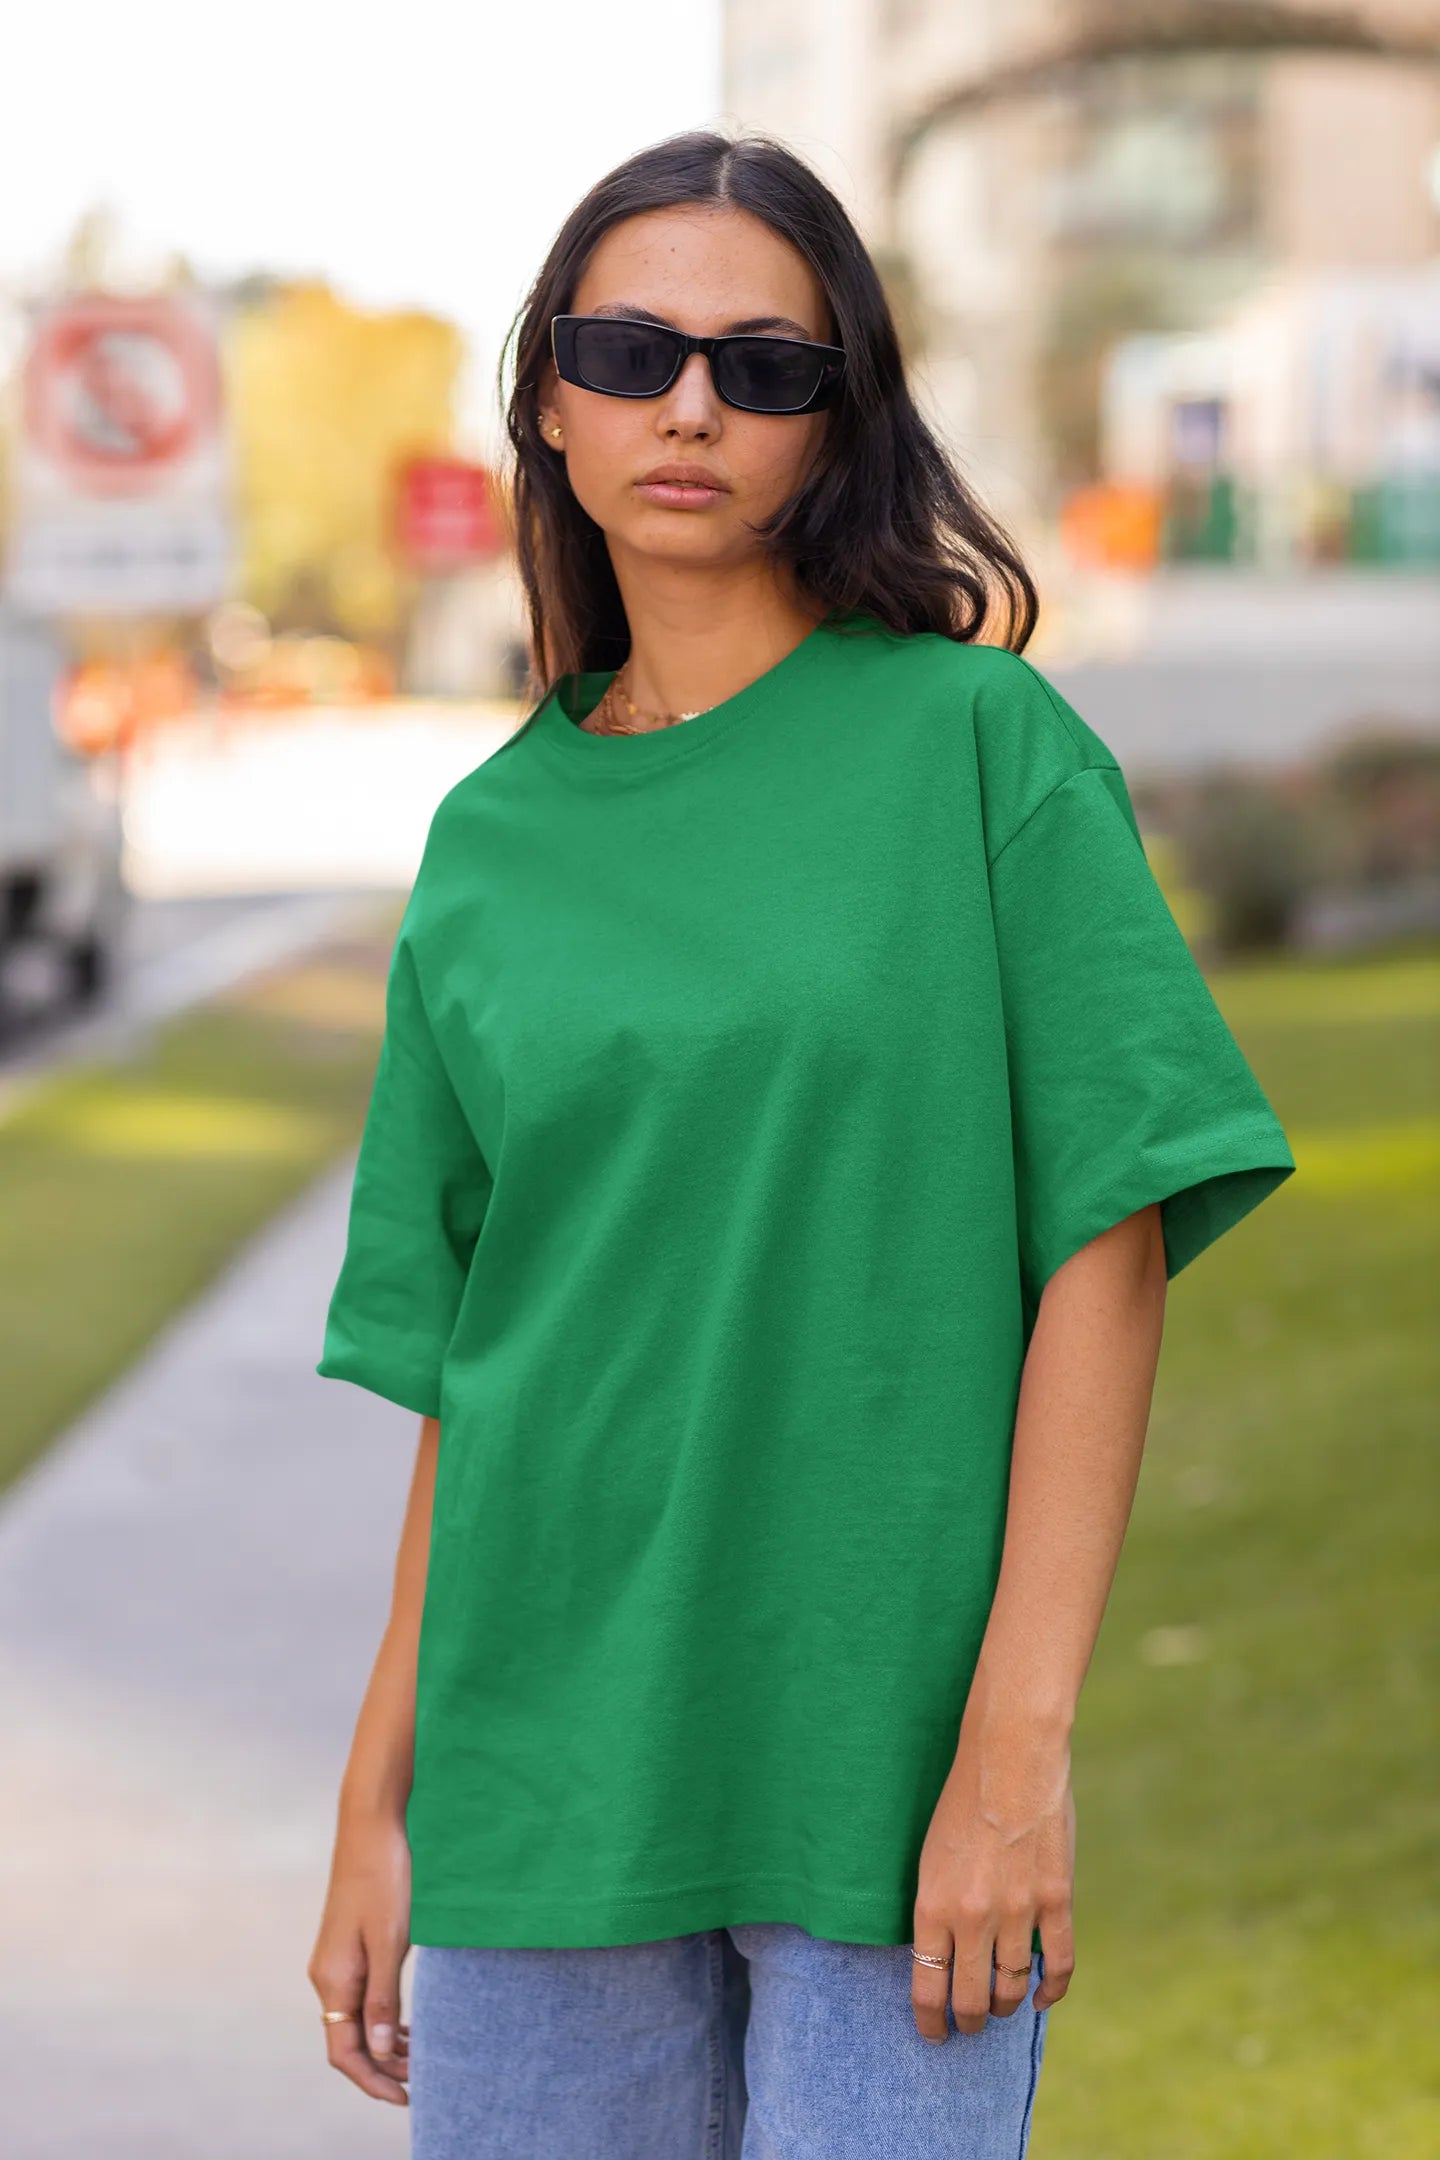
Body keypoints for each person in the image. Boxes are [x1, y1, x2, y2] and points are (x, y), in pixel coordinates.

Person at [307, 128, 1296, 2158]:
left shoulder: (982, 750)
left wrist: (1017, 1747)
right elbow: (473, 1371)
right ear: (550, 400)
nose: (692, 403)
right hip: (538, 1792)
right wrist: (373, 1800)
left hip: (890, 1774)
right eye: (633, 348)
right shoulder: (486, 845)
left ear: (840, 421)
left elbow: (1101, 1246)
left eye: (765, 366)